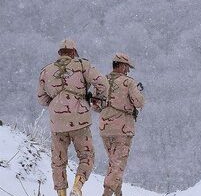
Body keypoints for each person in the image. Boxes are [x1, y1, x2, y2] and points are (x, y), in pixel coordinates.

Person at [37, 39, 109, 196]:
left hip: (57, 122)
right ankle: (77, 187)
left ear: (59, 53)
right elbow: (102, 83)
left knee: (58, 161)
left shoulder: (46, 71)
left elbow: (42, 99)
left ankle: (61, 193)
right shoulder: (83, 65)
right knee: (87, 156)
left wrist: (56, 102)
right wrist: (95, 101)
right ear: (74, 52)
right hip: (80, 120)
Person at [98, 53, 144, 196]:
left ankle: (118, 194)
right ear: (122, 65)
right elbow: (139, 103)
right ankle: (107, 193)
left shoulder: (102, 81)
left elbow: (95, 105)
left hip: (105, 129)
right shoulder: (129, 82)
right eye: (127, 67)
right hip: (122, 129)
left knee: (114, 163)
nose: (128, 71)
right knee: (118, 165)